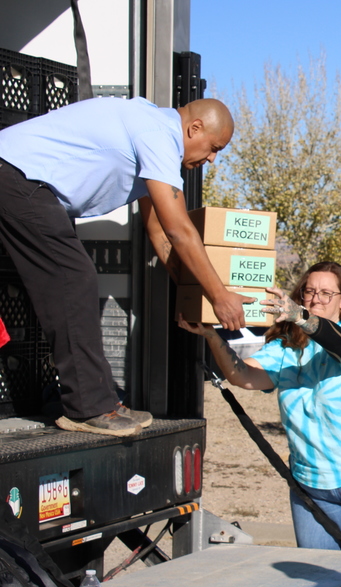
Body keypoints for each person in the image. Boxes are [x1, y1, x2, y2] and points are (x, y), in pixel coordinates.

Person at [0, 96, 252, 436]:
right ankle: (88, 407)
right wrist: (219, 296)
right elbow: (179, 230)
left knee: (74, 277)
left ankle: (99, 402)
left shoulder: (153, 135)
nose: (212, 159)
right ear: (195, 128)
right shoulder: (158, 134)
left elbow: (158, 231)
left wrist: (190, 292)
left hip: (23, 181)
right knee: (74, 278)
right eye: (213, 148)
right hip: (16, 174)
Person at [180, 261, 341, 554]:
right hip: (311, 485)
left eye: (326, 293)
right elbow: (243, 376)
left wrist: (299, 317)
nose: (316, 298)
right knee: (320, 579)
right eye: (309, 291)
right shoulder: (286, 347)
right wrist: (212, 336)